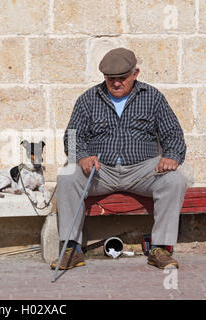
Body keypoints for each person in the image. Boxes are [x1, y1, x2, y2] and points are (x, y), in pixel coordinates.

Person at [51, 47, 187, 270]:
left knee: (175, 180)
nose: (115, 84)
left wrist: (171, 156)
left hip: (142, 170)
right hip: (100, 170)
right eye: (110, 79)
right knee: (67, 177)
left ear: (135, 74)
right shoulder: (89, 99)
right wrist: (83, 156)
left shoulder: (152, 97)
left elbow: (172, 133)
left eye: (122, 78)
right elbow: (72, 137)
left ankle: (160, 248)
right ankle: (72, 248)